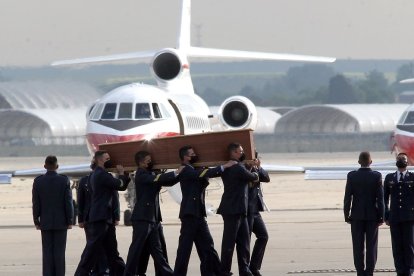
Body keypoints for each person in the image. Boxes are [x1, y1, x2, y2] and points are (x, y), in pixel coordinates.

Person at [173, 145, 237, 276]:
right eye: (192, 154)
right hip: (189, 215)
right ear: (185, 157)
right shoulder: (185, 169)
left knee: (207, 245)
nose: (195, 155)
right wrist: (224, 166)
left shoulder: (195, 169)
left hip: (199, 214)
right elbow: (202, 174)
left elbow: (204, 175)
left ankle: (215, 271)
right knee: (185, 249)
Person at [123, 150, 184, 276]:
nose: (150, 162)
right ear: (141, 162)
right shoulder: (141, 175)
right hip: (143, 218)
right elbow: (157, 179)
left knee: (157, 250)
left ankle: (167, 273)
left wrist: (180, 174)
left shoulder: (151, 174)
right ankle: (128, 273)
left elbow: (167, 181)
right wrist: (175, 172)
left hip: (153, 219)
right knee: (136, 249)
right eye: (148, 161)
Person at [75, 150, 130, 276]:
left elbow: (120, 186)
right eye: (107, 158)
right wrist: (122, 173)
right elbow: (119, 184)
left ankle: (124, 273)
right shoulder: (101, 175)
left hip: (105, 218)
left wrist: (125, 175)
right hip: (100, 218)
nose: (109, 160)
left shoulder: (97, 174)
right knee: (91, 251)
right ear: (99, 160)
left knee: (112, 252)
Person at [217, 143, 259, 276]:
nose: (242, 153)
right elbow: (254, 177)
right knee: (234, 243)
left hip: (238, 210)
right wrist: (255, 168)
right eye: (240, 151)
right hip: (234, 210)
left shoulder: (230, 167)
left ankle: (242, 269)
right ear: (234, 153)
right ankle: (228, 270)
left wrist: (249, 166)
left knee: (242, 241)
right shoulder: (237, 168)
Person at [343, 151, 384, 276]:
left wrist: (346, 214)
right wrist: (381, 216)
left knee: (357, 246)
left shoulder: (352, 176)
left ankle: (360, 272)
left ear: (359, 162)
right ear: (370, 162)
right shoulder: (376, 176)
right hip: (372, 216)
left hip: (356, 216)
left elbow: (347, 198)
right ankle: (369, 272)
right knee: (371, 246)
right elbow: (380, 199)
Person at [32, 155, 74, 276]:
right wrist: (70, 220)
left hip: (45, 222)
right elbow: (68, 202)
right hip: (61, 222)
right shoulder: (64, 180)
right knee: (60, 253)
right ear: (57, 166)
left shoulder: (38, 181)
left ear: (45, 166)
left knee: (47, 252)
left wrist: (36, 220)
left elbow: (36, 203)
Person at [384, 152, 414, 276]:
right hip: (395, 217)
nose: (401, 161)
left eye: (403, 159)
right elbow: (384, 199)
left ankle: (409, 269)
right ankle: (400, 269)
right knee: (396, 245)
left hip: (409, 217)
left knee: (409, 245)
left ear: (407, 163)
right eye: (399, 159)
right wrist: (386, 215)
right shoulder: (389, 178)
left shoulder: (412, 177)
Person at [245, 152, 270, 276]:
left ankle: (254, 266)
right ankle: (245, 269)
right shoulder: (243, 169)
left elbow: (266, 178)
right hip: (246, 209)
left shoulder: (256, 169)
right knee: (246, 240)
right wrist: (250, 167)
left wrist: (259, 167)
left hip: (254, 209)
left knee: (263, 236)